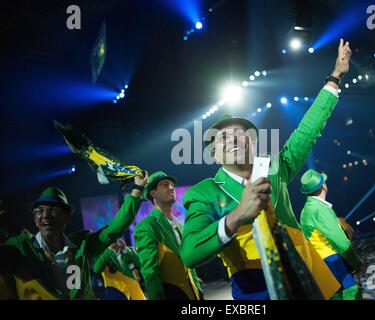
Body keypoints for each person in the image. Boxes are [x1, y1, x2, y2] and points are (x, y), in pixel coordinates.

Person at [180, 39, 352, 300]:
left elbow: (307, 131)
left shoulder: (273, 167)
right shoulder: (205, 193)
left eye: (240, 133)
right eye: (223, 139)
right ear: (214, 154)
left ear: (253, 141)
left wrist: (335, 78)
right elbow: (190, 252)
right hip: (259, 291)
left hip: (311, 278)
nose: (234, 139)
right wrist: (236, 217)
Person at [0, 172, 148, 299]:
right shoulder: (21, 247)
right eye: (39, 211)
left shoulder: (82, 245)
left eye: (53, 210)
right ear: (34, 219)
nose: (45, 215)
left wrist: (137, 190)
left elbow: (115, 228)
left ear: (67, 217)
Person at [134, 171, 203, 300]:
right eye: (165, 185)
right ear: (153, 193)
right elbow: (150, 273)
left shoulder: (181, 226)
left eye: (172, 185)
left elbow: (188, 266)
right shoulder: (147, 226)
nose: (172, 188)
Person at [299, 169, 362, 300]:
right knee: (352, 293)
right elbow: (342, 243)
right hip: (333, 262)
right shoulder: (319, 208)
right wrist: (356, 262)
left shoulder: (307, 209)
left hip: (321, 264)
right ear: (323, 186)